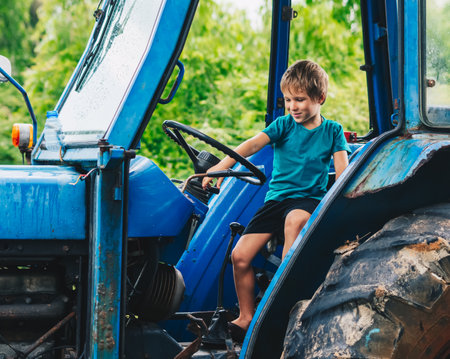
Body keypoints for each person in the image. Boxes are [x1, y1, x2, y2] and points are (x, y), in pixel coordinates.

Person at [202, 60, 350, 342]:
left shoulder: (333, 131)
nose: (293, 106)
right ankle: (246, 317)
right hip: (277, 200)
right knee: (240, 256)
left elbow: (342, 173)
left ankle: (282, 308)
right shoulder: (283, 125)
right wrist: (222, 167)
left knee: (295, 221)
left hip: (308, 199)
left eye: (300, 99)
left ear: (320, 98)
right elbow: (251, 145)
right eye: (288, 100)